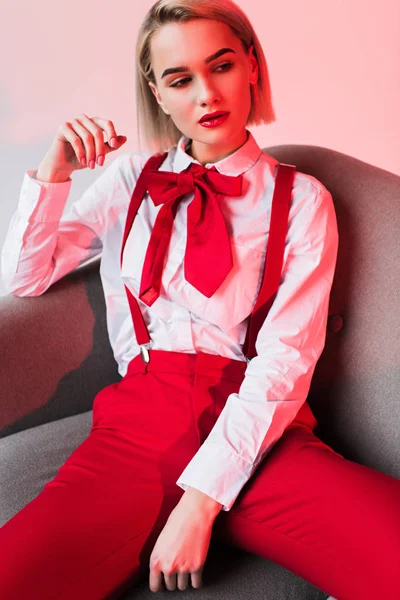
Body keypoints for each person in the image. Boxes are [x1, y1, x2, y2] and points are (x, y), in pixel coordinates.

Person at [1, 0, 399, 598]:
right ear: (157, 94)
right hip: (142, 422)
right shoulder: (131, 181)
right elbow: (26, 278)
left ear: (253, 68)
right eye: (180, 79)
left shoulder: (304, 199)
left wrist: (200, 502)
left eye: (222, 66)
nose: (206, 95)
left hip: (258, 421)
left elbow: (286, 357)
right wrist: (53, 171)